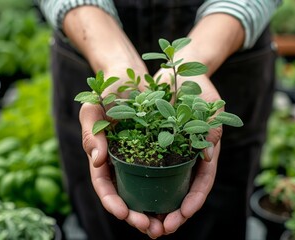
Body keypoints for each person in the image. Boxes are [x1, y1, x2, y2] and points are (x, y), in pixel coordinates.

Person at [36, 0, 281, 239]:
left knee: (218, 218)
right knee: (102, 222)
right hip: (88, 36)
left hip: (227, 45)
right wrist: (114, 59)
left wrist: (197, 55)